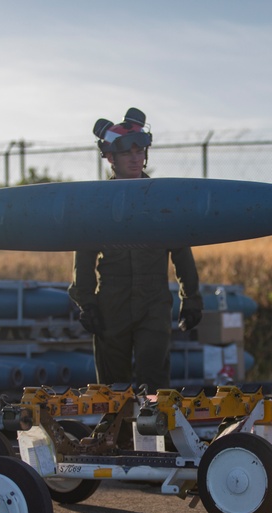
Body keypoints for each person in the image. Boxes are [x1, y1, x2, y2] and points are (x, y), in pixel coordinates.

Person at [69, 108, 203, 392]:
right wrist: (87, 302)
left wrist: (191, 297)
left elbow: (181, 252)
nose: (135, 157)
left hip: (153, 302)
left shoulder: (161, 200)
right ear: (110, 157)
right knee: (111, 391)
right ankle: (115, 438)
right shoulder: (98, 204)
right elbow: (84, 256)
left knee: (154, 387)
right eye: (127, 151)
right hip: (110, 304)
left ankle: (156, 438)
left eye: (140, 150)